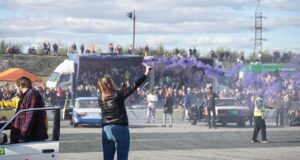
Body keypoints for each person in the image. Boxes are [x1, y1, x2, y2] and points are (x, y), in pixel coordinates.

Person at [98, 64, 151, 160]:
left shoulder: (101, 98)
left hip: (106, 129)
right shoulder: (118, 95)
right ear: (110, 84)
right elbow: (134, 86)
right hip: (120, 129)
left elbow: (112, 96)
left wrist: (122, 89)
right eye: (113, 81)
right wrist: (146, 73)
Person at [9, 77, 48, 143]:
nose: (15, 90)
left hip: (30, 139)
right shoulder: (25, 96)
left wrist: (22, 136)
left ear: (21, 85)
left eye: (16, 87)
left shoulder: (32, 94)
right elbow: (17, 120)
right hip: (22, 139)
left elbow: (29, 117)